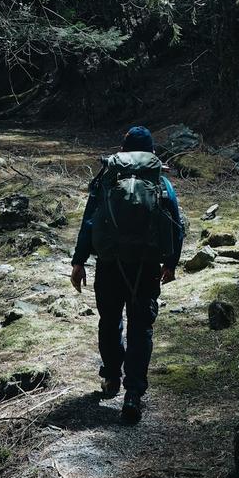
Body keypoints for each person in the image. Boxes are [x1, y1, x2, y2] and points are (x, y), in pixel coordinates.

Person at [70, 125, 183, 424]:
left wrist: (79, 261)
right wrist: (171, 262)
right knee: (141, 326)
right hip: (145, 264)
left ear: (123, 150)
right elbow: (175, 222)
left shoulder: (107, 178)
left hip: (109, 263)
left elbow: (89, 221)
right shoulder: (159, 179)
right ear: (151, 152)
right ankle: (134, 394)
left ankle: (110, 378)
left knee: (109, 321)